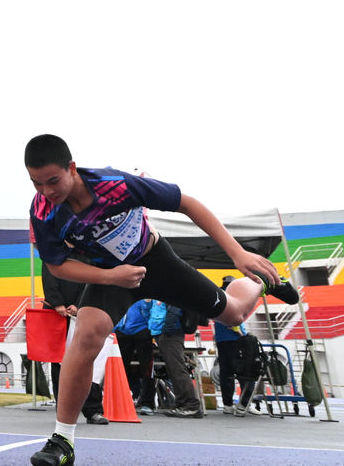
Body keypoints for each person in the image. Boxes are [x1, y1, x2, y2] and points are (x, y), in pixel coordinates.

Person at [23, 134, 299, 466]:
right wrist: (112, 277)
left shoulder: (116, 185)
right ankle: (62, 441)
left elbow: (187, 203)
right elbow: (57, 266)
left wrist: (237, 253)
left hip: (157, 262)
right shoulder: (43, 212)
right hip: (114, 276)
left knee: (235, 314)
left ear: (72, 168)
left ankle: (259, 281)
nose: (47, 192)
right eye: (37, 183)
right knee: (86, 334)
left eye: (53, 181)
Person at [42, 264, 107, 424]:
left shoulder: (87, 255)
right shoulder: (54, 255)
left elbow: (90, 281)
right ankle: (63, 411)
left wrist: (80, 305)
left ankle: (93, 410)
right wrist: (57, 304)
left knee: (89, 359)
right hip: (57, 315)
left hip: (84, 313)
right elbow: (49, 279)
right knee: (59, 363)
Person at [153, 303, 202, 417]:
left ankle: (191, 405)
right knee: (173, 370)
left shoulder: (171, 295)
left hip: (170, 333)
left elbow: (175, 310)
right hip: (166, 332)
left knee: (177, 369)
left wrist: (166, 329)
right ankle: (182, 403)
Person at [114, 298, 162, 414]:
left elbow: (151, 310)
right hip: (122, 329)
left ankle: (148, 403)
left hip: (142, 329)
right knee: (119, 368)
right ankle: (119, 401)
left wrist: (146, 303)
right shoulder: (118, 289)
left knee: (147, 367)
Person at [213, 276, 246, 414]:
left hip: (221, 339)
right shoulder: (232, 296)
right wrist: (241, 333)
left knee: (226, 373)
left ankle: (227, 404)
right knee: (242, 372)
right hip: (234, 339)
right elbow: (234, 320)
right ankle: (244, 403)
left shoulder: (217, 295)